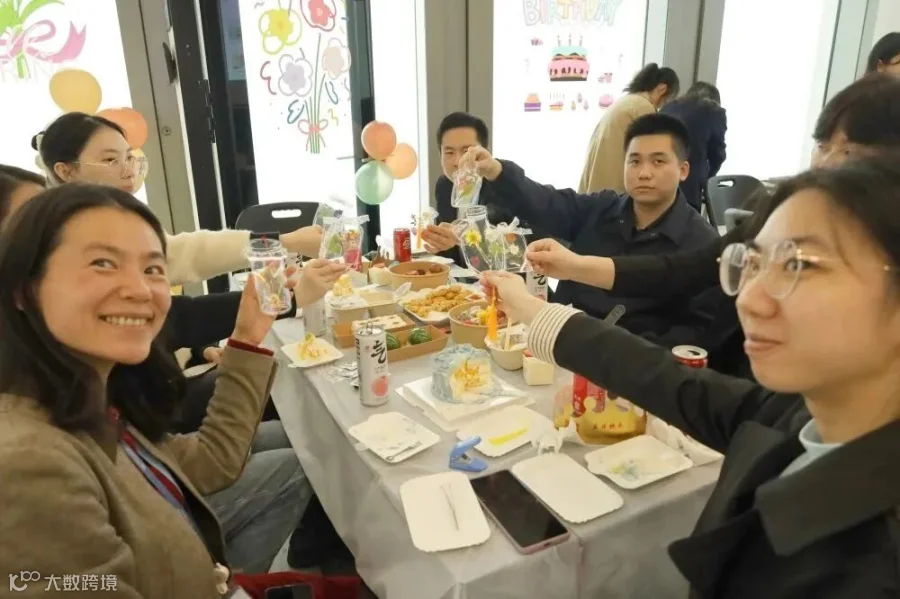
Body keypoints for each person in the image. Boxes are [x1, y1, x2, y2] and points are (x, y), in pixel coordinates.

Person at [483, 153, 900, 597]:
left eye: (800, 265)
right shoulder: (795, 416)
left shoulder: (873, 566)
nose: (750, 300)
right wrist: (530, 309)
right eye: (752, 264)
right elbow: (664, 379)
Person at [0, 183, 290, 596]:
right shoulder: (28, 465)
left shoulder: (97, 401)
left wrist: (246, 335)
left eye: (153, 269)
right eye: (103, 263)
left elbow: (211, 461)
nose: (139, 290)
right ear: (23, 289)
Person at [527, 73, 900, 376]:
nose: (827, 164)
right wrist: (575, 272)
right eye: (822, 146)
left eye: (848, 151)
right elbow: (680, 270)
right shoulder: (779, 217)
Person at [450, 113, 718, 346]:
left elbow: (696, 334)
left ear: (683, 170)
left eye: (658, 162)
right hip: (555, 340)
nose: (644, 173)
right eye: (635, 161)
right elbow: (548, 203)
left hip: (628, 367)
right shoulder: (604, 207)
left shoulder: (702, 245)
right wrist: (497, 171)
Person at [33, 112, 323, 284]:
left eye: (129, 158)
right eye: (110, 160)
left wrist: (198, 351)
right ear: (66, 171)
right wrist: (286, 242)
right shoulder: (72, 233)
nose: (128, 170)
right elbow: (182, 255)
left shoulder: (112, 214)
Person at [422, 112, 541, 265]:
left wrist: (461, 238)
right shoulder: (444, 186)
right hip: (464, 277)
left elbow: (519, 248)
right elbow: (453, 254)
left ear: (485, 153)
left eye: (466, 152)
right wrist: (440, 243)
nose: (458, 162)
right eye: (449, 153)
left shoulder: (504, 185)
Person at [579, 63, 680, 194]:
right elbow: (653, 151)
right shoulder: (643, 108)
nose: (662, 106)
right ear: (662, 89)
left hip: (597, 181)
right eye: (667, 100)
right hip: (613, 187)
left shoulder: (627, 101)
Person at [660, 81, 727, 210]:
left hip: (660, 177)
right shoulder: (714, 111)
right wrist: (708, 179)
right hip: (689, 183)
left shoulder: (667, 108)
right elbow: (718, 155)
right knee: (687, 220)